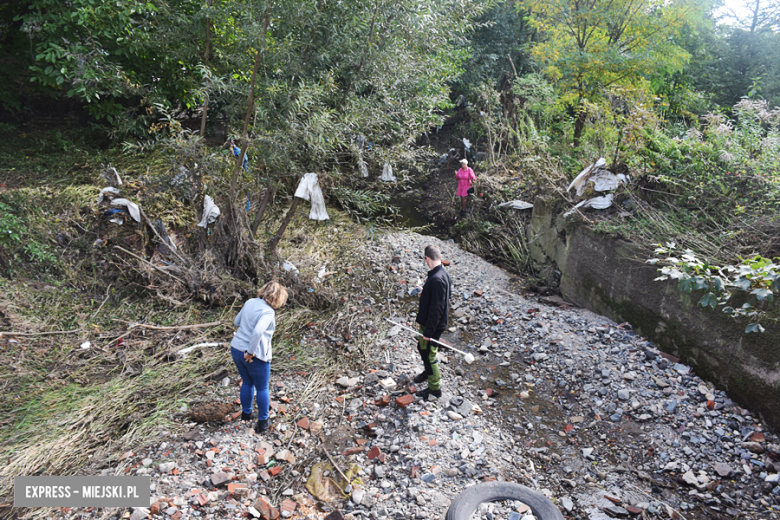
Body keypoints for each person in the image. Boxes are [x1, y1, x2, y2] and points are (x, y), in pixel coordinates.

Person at [230, 281, 288, 433]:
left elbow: (236, 322)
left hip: (236, 348)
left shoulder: (250, 302)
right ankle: (262, 422)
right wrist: (250, 352)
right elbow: (257, 332)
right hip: (255, 355)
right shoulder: (268, 312)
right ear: (278, 298)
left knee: (247, 382)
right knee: (262, 388)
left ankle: (246, 414)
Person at [413, 244, 452, 399]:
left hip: (433, 325)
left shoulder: (437, 279)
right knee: (422, 348)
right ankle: (427, 372)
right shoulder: (441, 273)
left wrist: (429, 332)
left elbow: (437, 308)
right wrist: (425, 293)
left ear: (427, 259)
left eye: (425, 260)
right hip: (430, 323)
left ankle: (435, 389)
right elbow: (443, 296)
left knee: (430, 354)